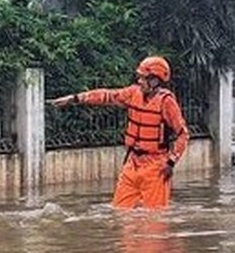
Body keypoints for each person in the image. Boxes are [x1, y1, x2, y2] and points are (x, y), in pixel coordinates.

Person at [49, 55, 189, 210]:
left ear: (155, 80)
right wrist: (75, 99)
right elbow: (106, 96)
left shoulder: (167, 102)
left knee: (154, 220)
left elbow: (182, 134)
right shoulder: (132, 93)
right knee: (120, 213)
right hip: (132, 162)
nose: (139, 81)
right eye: (140, 77)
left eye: (143, 78)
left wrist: (171, 162)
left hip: (156, 166)